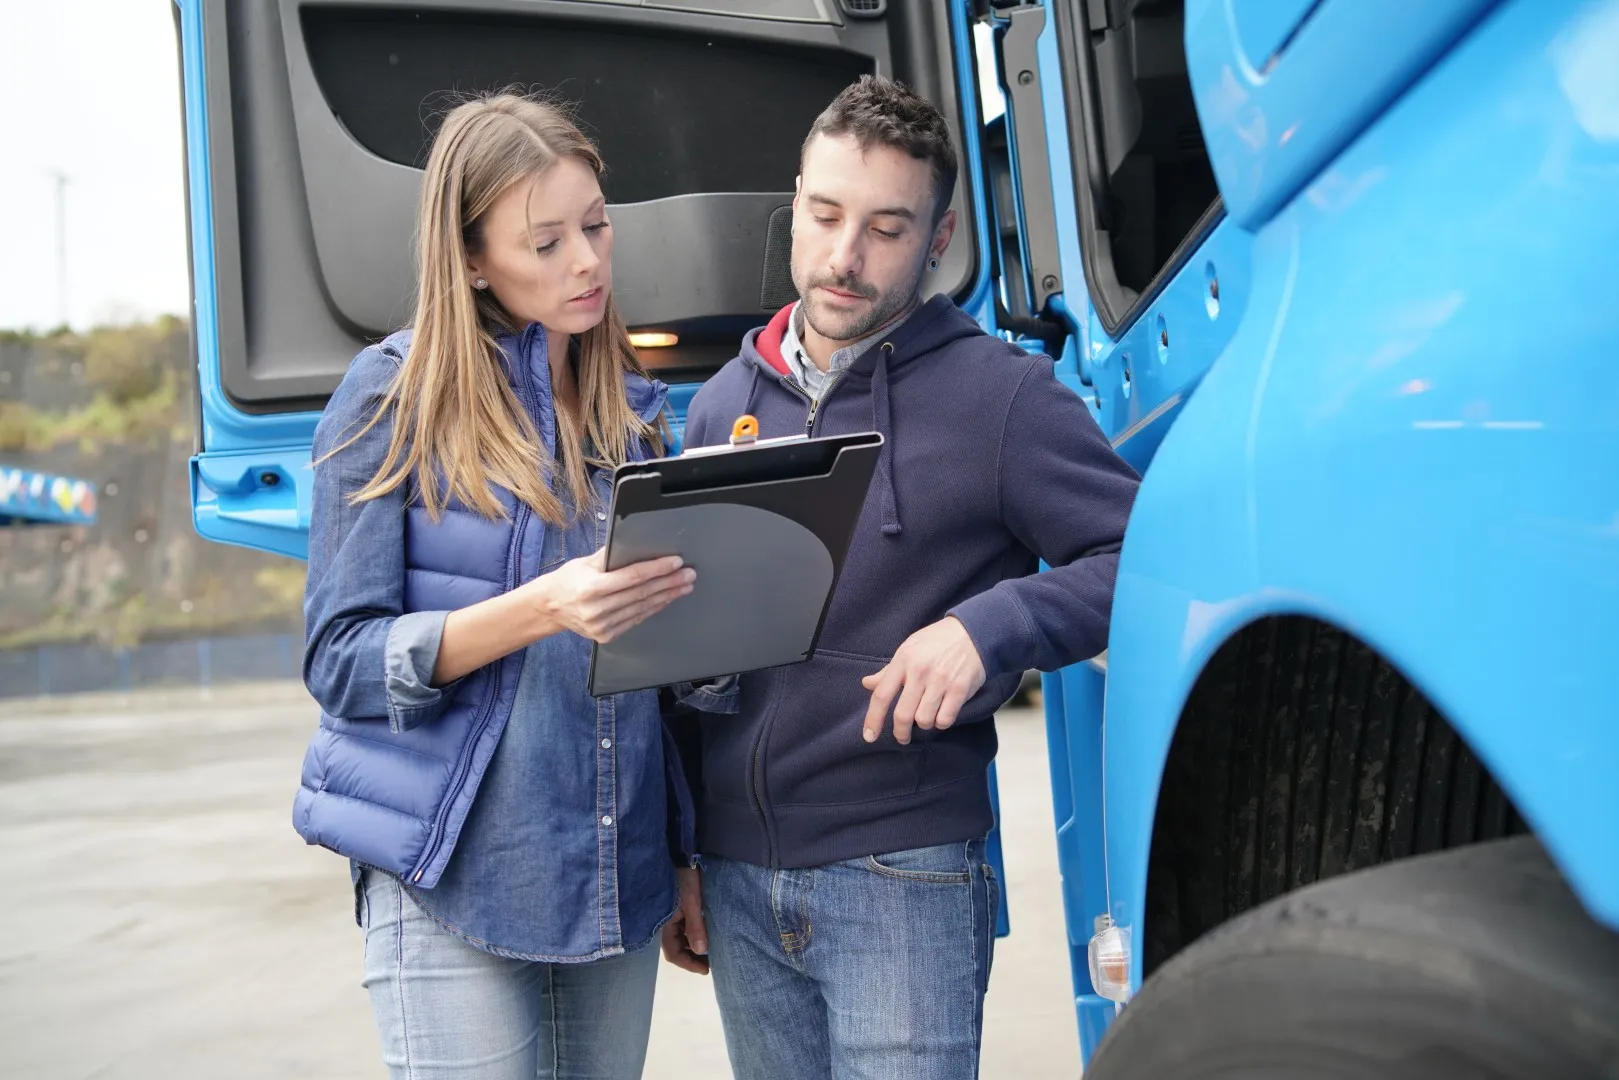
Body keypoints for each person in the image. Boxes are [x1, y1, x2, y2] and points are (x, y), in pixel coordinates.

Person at [662, 75, 1143, 1078]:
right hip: (739, 878)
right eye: (825, 215)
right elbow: (687, 659)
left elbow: (1142, 558)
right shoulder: (715, 409)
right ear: (792, 202)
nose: (844, 258)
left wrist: (991, 626)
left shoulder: (1004, 400)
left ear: (939, 235)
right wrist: (682, 854)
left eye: (885, 227)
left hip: (903, 873)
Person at [297, 93, 704, 1080]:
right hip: (453, 881)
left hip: (615, 882)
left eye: (596, 226)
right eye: (546, 242)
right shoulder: (387, 397)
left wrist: (685, 853)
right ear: (472, 258)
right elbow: (340, 662)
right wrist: (541, 608)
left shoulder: (640, 419)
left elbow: (669, 675)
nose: (587, 262)